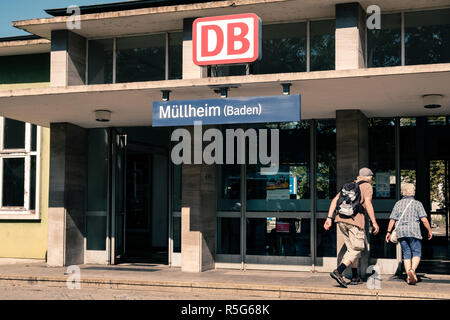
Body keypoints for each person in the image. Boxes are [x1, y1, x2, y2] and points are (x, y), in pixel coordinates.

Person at [324, 167, 380, 288]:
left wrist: (329, 218)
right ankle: (338, 271)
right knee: (357, 248)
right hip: (355, 222)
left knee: (351, 249)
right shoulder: (367, 186)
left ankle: (355, 277)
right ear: (369, 177)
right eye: (371, 178)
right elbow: (367, 204)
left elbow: (334, 201)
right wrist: (374, 222)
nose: (371, 180)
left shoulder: (350, 185)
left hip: (340, 220)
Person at [385, 183, 432, 285]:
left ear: (403, 192)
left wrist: (388, 232)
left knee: (406, 252)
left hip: (401, 231)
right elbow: (423, 219)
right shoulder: (417, 204)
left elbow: (392, 219)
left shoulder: (398, 204)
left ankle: (408, 276)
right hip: (413, 231)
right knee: (417, 252)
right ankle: (412, 270)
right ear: (413, 192)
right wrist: (429, 230)